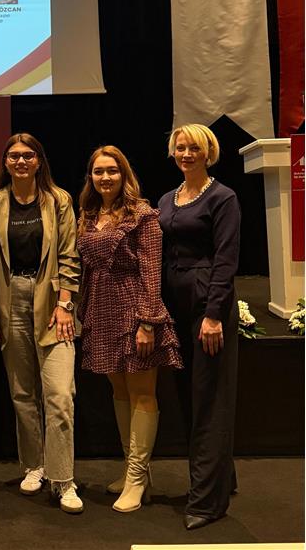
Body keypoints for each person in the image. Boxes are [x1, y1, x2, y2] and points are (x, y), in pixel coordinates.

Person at [76, 145, 182, 513]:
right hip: (100, 308)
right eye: (98, 171)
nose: (105, 177)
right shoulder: (89, 214)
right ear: (90, 176)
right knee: (119, 390)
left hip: (133, 308)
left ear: (124, 174)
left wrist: (147, 321)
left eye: (112, 170)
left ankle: (137, 478)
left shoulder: (143, 215)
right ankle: (133, 471)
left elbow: (152, 270)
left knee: (142, 392)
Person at [0, 133, 83, 514]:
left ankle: (63, 479)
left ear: (39, 160)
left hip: (51, 300)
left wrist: (65, 304)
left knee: (60, 395)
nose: (21, 161)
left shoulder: (58, 200)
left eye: (28, 155)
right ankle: (34, 465)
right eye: (14, 155)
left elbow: (69, 255)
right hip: (10, 297)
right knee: (22, 393)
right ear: (5, 162)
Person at [158, 124, 240, 530]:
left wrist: (213, 314)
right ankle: (223, 478)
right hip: (175, 304)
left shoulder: (223, 198)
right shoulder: (166, 199)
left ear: (209, 152)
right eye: (180, 148)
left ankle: (208, 503)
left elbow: (226, 258)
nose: (186, 154)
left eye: (194, 148)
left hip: (207, 306)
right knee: (191, 397)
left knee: (210, 400)